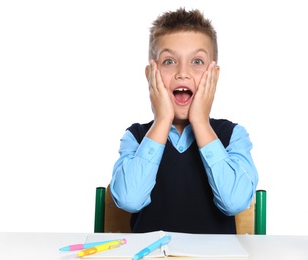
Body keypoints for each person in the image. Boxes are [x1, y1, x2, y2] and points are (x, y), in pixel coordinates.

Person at [110, 7, 258, 234]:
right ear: (151, 75)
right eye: (169, 62)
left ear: (214, 75)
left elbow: (235, 202)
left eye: (197, 62)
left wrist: (200, 122)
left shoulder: (233, 135)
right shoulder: (135, 136)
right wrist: (162, 120)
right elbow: (129, 199)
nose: (183, 73)